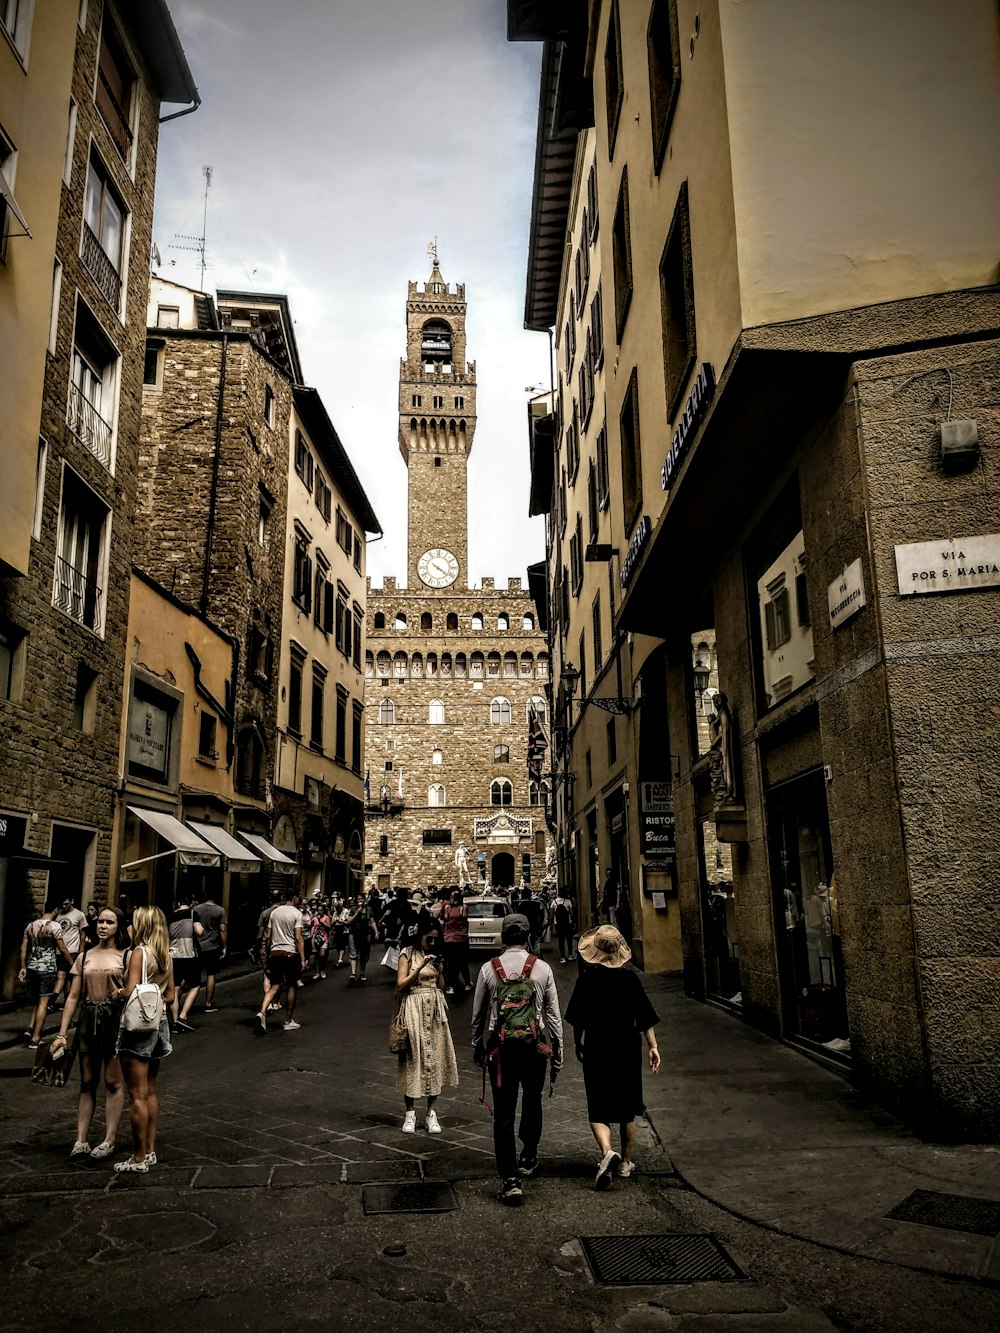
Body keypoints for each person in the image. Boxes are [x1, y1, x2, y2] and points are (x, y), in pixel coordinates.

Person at [471, 913, 563, 1206]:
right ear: (526, 937)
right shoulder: (542, 968)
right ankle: (529, 1154)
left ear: (503, 937)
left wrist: (477, 1044)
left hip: (501, 1048)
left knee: (504, 1110)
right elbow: (552, 1015)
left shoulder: (489, 969)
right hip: (535, 1046)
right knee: (532, 1099)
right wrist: (558, 1050)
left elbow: (479, 1013)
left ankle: (510, 1178)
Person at [565, 924, 660, 1189]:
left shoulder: (587, 978)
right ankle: (625, 1162)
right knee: (628, 1108)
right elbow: (644, 1017)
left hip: (598, 1045)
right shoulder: (630, 979)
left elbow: (577, 1019)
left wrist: (577, 1043)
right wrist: (653, 1046)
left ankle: (607, 1152)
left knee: (598, 1105)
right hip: (627, 1047)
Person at [50, 907, 127, 1160]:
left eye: (110, 922)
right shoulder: (84, 956)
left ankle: (109, 1139)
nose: (103, 926)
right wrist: (62, 1033)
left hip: (116, 1021)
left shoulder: (126, 956)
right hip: (88, 1019)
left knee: (113, 1081)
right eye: (100, 922)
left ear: (119, 926)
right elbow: (73, 996)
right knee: (87, 1081)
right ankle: (81, 1139)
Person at [111, 905, 175, 1173]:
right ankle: (149, 1151)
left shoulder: (139, 953)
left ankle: (137, 1158)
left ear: (142, 926)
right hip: (160, 1025)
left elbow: (129, 991)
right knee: (150, 1091)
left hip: (138, 1028)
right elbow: (171, 996)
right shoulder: (166, 955)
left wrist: (117, 991)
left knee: (136, 1094)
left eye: (134, 922)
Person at [395, 918, 458, 1134]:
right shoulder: (408, 954)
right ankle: (410, 1113)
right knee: (413, 1058)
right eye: (428, 939)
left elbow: (440, 985)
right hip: (413, 1006)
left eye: (435, 939)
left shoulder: (437, 956)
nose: (431, 943)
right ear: (419, 935)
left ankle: (432, 1113)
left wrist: (440, 969)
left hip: (435, 1007)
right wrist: (419, 967)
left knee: (435, 1057)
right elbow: (401, 985)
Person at [18, 903, 73, 1047]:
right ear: (55, 910)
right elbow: (62, 948)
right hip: (47, 968)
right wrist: (72, 964)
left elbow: (23, 948)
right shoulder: (54, 926)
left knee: (37, 1000)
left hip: (32, 967)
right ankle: (36, 1038)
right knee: (44, 1002)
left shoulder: (30, 926)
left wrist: (23, 967)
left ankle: (31, 1029)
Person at [256, 884, 305, 1032]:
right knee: (292, 985)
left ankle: (262, 1012)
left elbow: (268, 937)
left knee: (275, 985)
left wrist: (269, 952)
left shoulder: (275, 913)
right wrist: (302, 958)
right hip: (290, 953)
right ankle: (288, 1020)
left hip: (275, 953)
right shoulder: (297, 913)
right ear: (295, 897)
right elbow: (298, 938)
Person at [167, 900, 204, 1033]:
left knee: (175, 987)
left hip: (173, 956)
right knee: (195, 985)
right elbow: (199, 931)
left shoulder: (170, 917)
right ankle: (183, 1016)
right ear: (190, 903)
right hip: (189, 954)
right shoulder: (193, 914)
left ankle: (175, 1020)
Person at [192, 893, 227, 1011]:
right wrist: (224, 946)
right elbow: (222, 930)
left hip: (197, 946)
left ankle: (181, 999)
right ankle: (208, 1003)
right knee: (211, 974)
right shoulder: (220, 910)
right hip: (213, 946)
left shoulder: (196, 909)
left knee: (192, 974)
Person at [53, 896, 88, 1008]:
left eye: (66, 904)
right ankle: (66, 1000)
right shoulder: (58, 915)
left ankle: (52, 1001)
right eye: (62, 904)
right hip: (59, 950)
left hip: (72, 950)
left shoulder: (79, 915)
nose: (64, 906)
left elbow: (82, 934)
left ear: (72, 902)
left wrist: (81, 951)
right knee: (65, 976)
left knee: (63, 975)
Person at [441, 889, 470, 995]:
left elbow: (445, 919)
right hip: (461, 939)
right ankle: (467, 983)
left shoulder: (447, 908)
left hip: (448, 938)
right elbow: (465, 920)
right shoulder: (464, 908)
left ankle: (450, 985)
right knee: (463, 962)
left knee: (450, 963)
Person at [346, 893, 377, 985]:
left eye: (361, 899)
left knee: (364, 954)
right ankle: (353, 973)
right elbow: (349, 921)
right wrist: (357, 913)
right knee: (354, 953)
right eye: (358, 899)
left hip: (365, 933)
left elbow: (372, 921)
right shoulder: (353, 909)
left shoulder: (369, 909)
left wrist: (376, 931)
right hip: (354, 933)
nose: (360, 901)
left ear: (364, 900)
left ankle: (362, 973)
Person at [551, 892, 576, 963]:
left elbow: (552, 914)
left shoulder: (554, 902)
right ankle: (570, 955)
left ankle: (562, 957)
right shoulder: (568, 901)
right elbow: (571, 913)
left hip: (558, 924)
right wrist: (573, 921)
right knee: (569, 940)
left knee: (561, 941)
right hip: (567, 923)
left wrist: (550, 923)